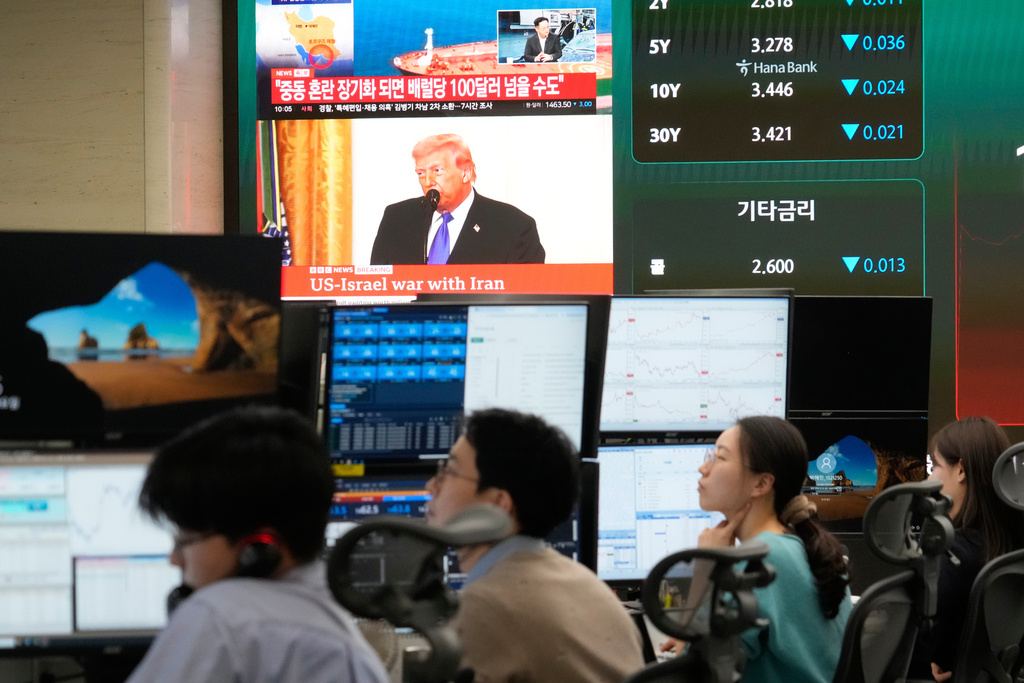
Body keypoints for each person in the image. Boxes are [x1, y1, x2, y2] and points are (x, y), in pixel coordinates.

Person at [125, 406, 389, 683]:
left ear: (260, 546)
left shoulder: (223, 616)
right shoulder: (337, 626)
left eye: (185, 542)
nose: (174, 560)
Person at [426, 408, 645, 683]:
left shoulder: (486, 605)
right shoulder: (589, 586)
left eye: (449, 471)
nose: (431, 485)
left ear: (499, 504)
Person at [688, 415, 853, 683]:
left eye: (719, 457)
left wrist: (706, 566)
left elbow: (696, 673)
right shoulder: (799, 548)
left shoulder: (758, 563)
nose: (703, 468)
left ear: (761, 484)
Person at [908, 416, 1024, 681]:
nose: (930, 477)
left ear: (961, 469)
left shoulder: (952, 555)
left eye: (934, 465)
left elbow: (908, 649)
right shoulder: (1011, 551)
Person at [370, 133, 546, 265]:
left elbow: (523, 301)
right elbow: (377, 287)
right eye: (421, 173)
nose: (428, 181)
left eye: (437, 171)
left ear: (466, 173)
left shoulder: (513, 226)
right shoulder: (397, 218)